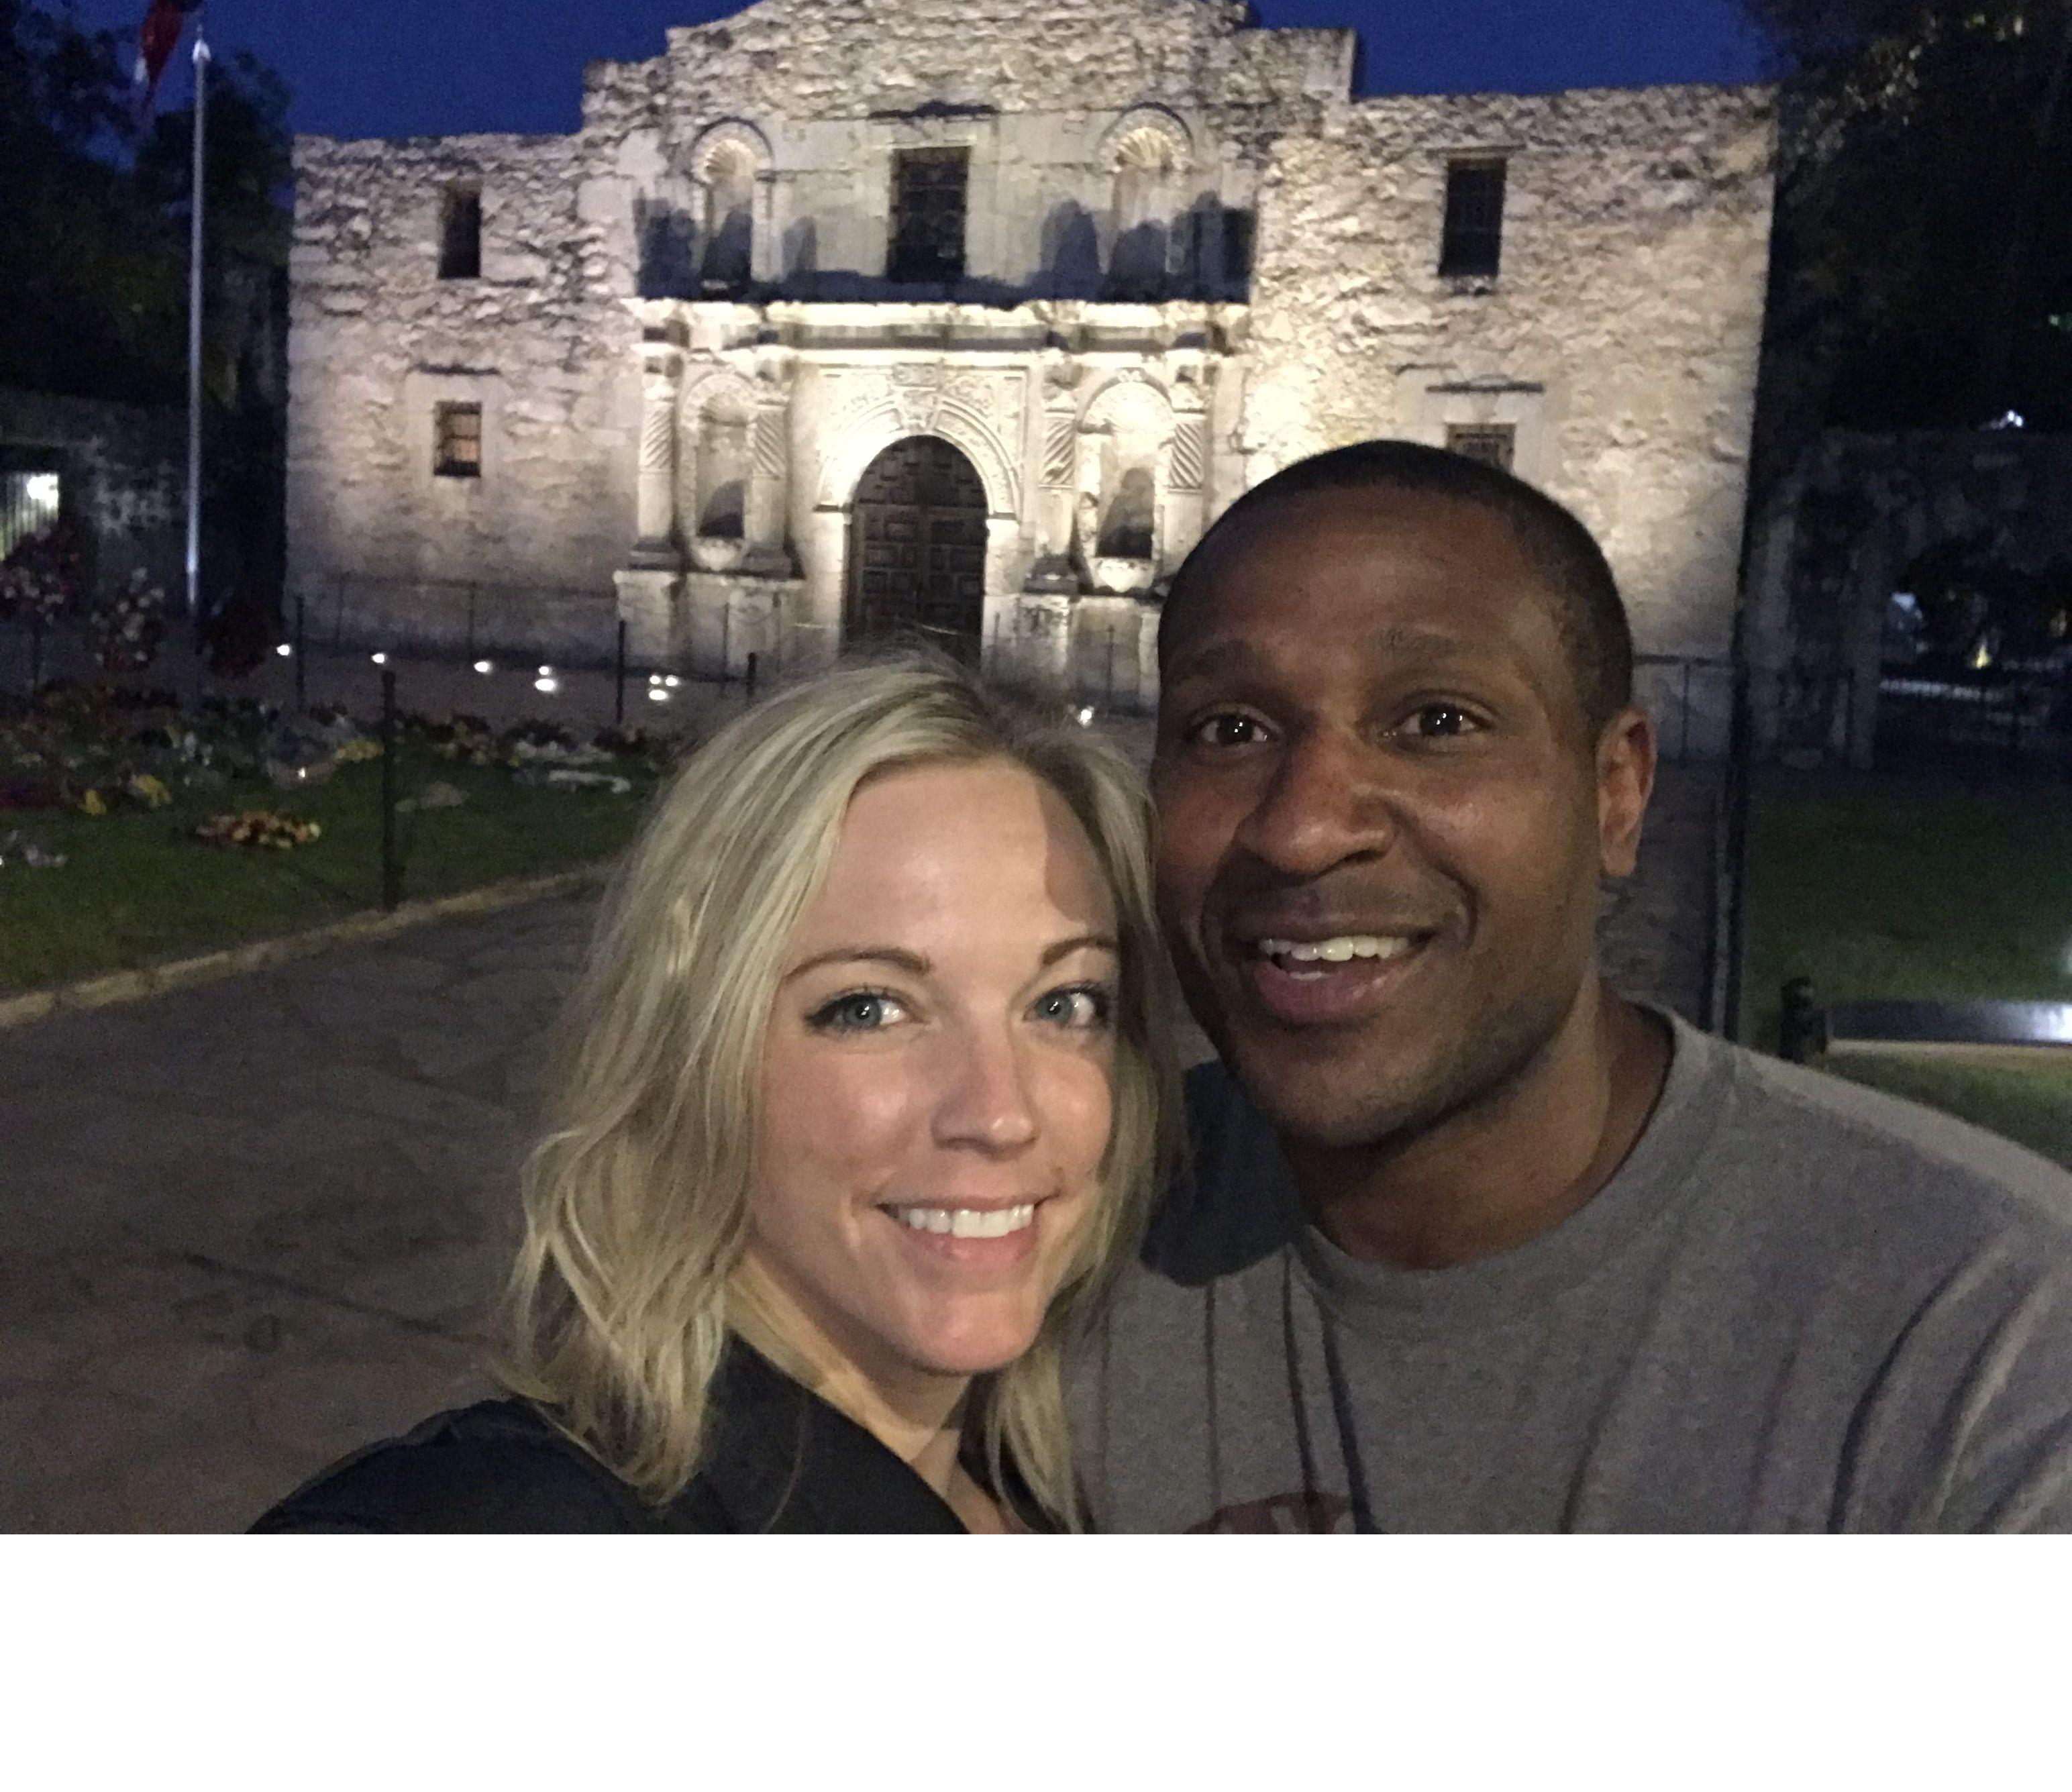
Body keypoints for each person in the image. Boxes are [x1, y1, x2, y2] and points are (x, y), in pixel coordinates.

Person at [1069, 439, 2072, 1532]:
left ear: (1617, 796)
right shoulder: (1042, 1243)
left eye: (1437, 723)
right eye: (1232, 730)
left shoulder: (1990, 1348)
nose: (1305, 829)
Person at [255, 660, 1176, 1533]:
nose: (1000, 1112)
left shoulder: (1039, 1486)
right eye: (869, 1007)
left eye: (1065, 1002)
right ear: (694, 1054)